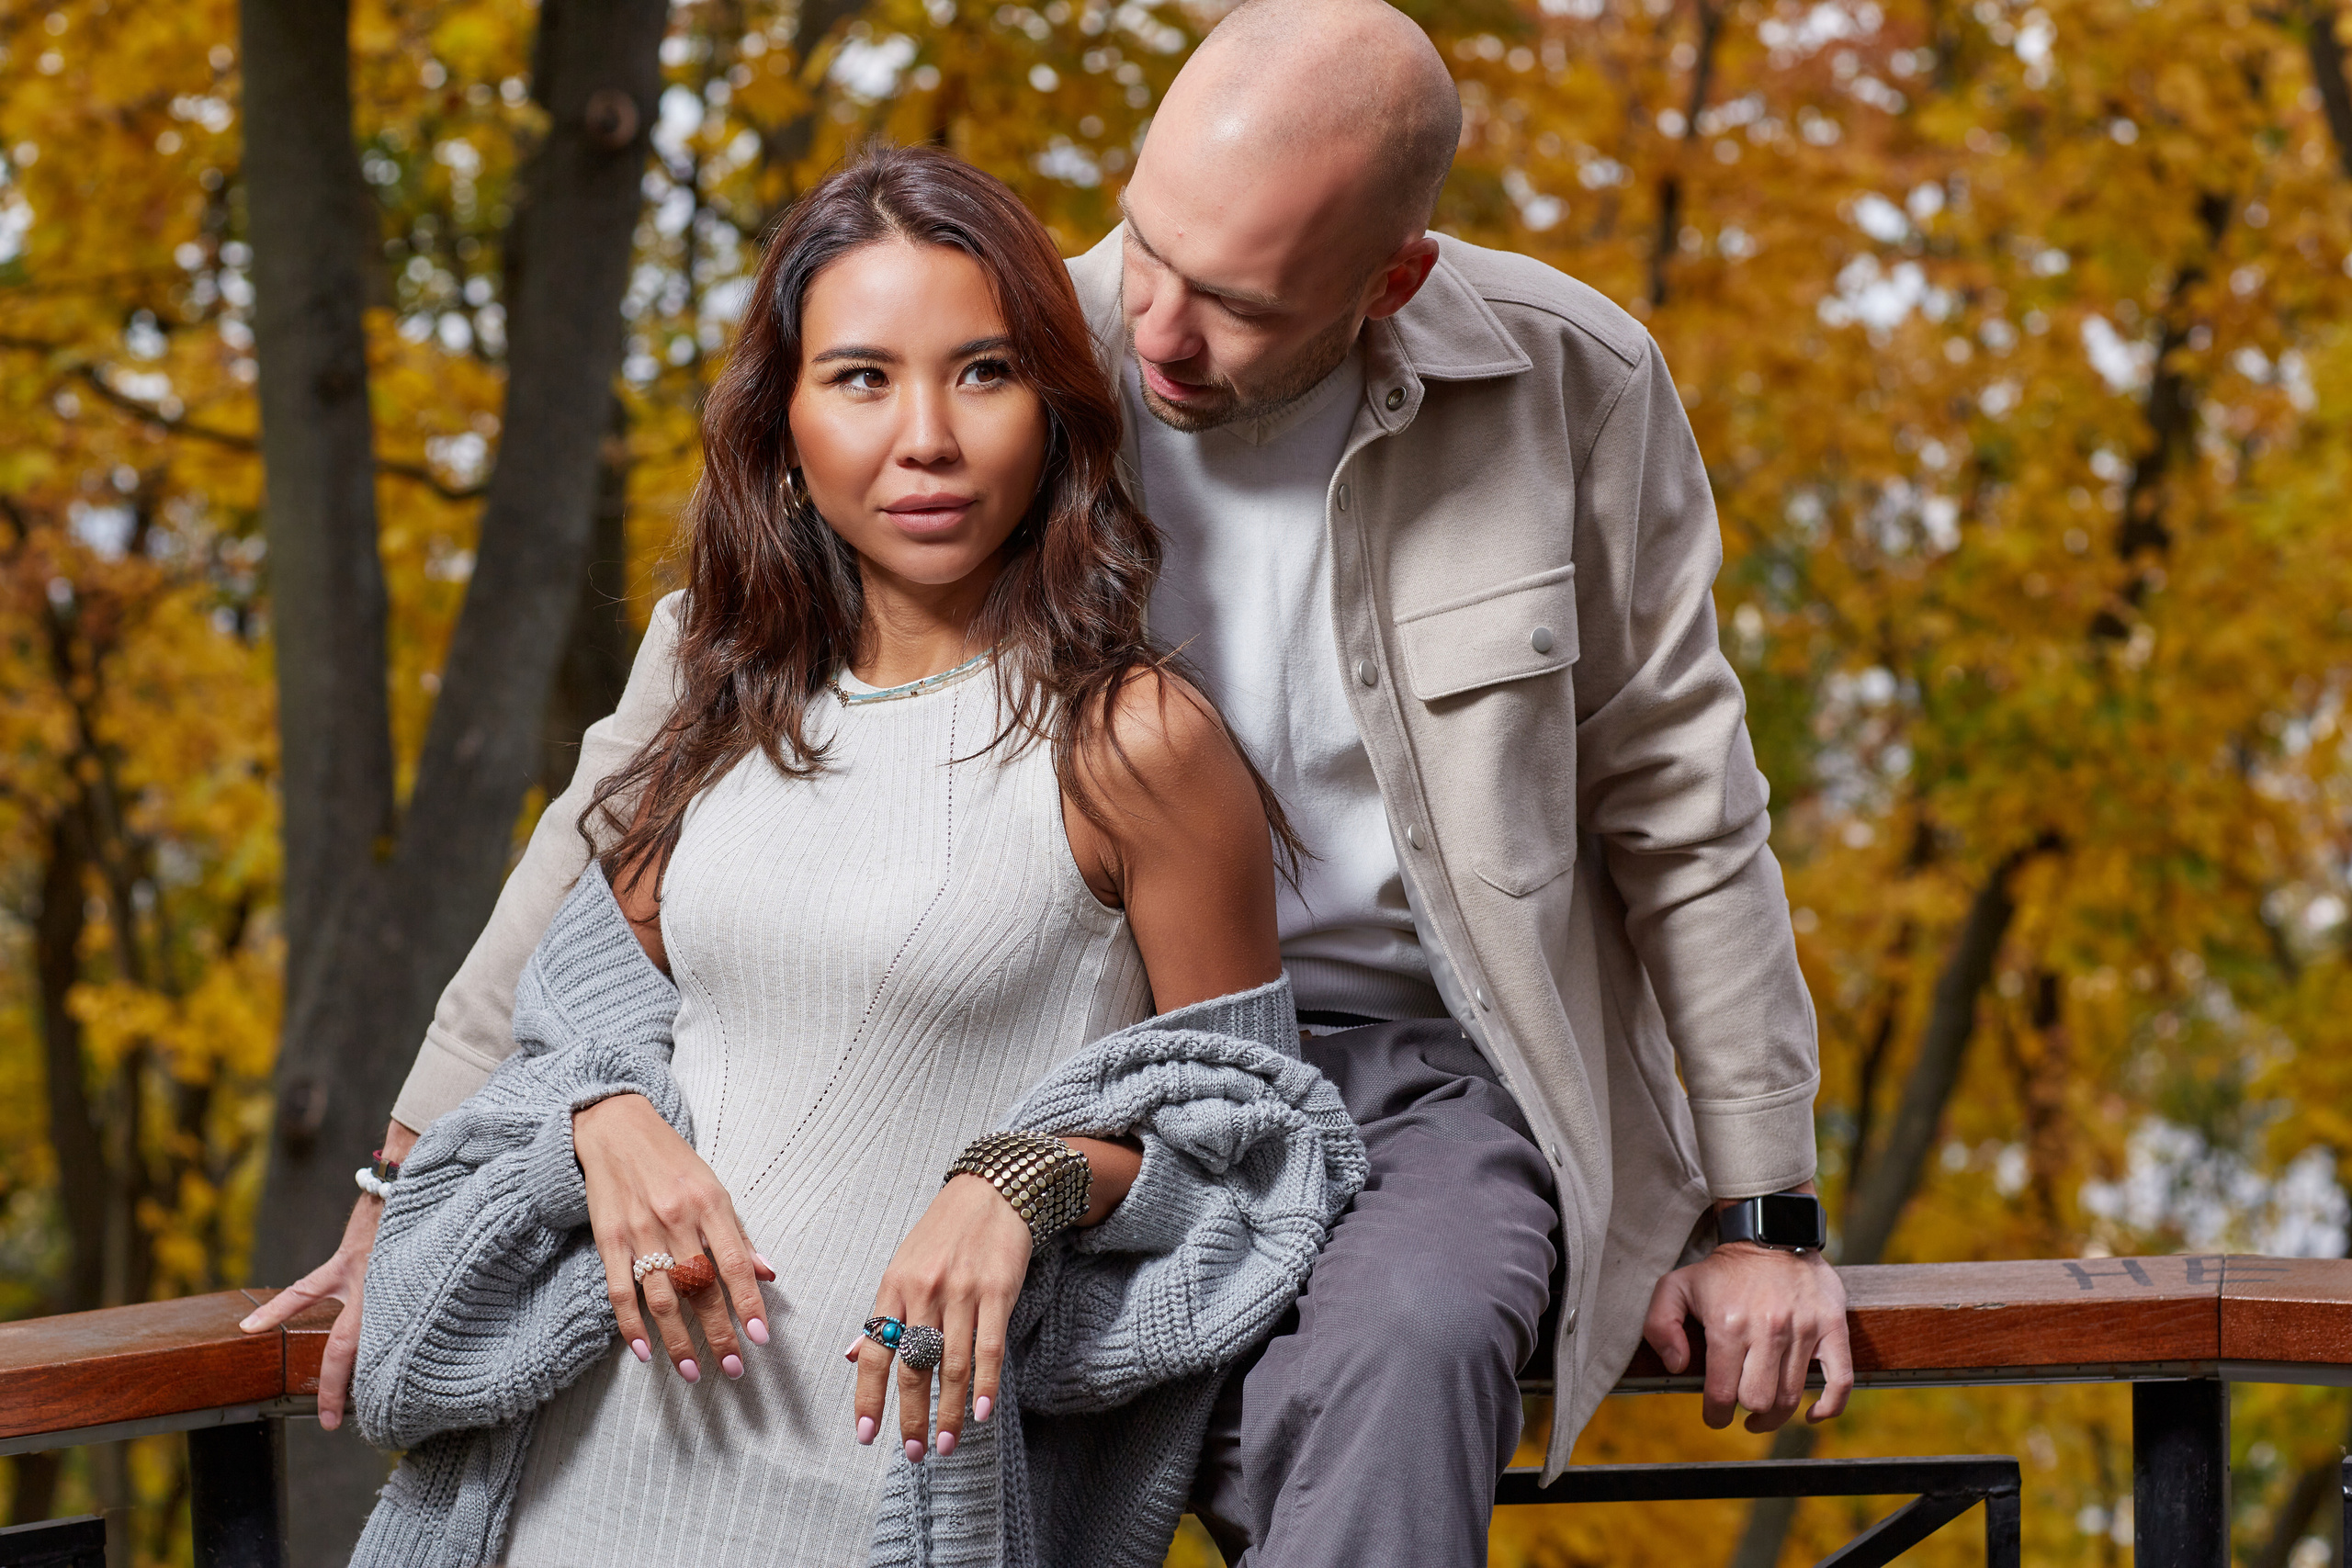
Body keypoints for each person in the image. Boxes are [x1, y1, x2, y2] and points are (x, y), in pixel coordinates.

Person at [249, 1, 1854, 1562]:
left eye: (1235, 300)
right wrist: (419, 1159)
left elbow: (1682, 802)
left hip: (1422, 1057)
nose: (1153, 328)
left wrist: (1761, 1213)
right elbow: (635, 794)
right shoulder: (1002, 349)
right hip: (1055, 1043)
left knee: (1408, 1352)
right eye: (1146, 243)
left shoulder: (1570, 382)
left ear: (1391, 279)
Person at [341, 144, 1360, 1567]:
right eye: (863, 377)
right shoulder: (721, 709)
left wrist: (1025, 1177)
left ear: (1059, 413)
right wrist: (601, 1123)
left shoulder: (1134, 743)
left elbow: (1259, 1163)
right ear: (789, 422)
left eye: (985, 372)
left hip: (879, 1522)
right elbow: (560, 1041)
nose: (926, 437)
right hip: (558, 1500)